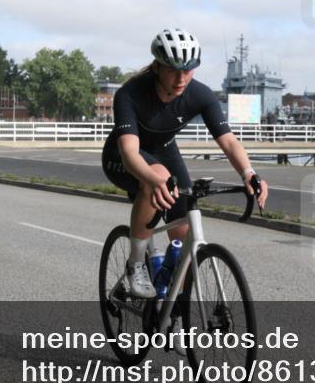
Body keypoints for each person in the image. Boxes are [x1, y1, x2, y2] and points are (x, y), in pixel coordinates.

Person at [101, 29, 269, 299]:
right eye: (173, 70)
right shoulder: (130, 94)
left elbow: (228, 141)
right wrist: (152, 179)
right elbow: (130, 152)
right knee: (158, 175)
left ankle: (173, 314)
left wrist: (249, 173)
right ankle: (135, 264)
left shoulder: (199, 94)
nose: (181, 79)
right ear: (157, 66)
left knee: (183, 235)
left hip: (165, 151)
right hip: (122, 157)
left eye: (189, 70)